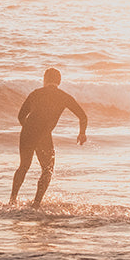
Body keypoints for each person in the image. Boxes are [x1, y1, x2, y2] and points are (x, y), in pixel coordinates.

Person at [11, 67, 88, 208]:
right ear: (59, 81)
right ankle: (36, 204)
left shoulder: (35, 94)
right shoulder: (64, 96)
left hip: (27, 132)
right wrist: (82, 133)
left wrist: (29, 130)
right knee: (47, 170)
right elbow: (83, 116)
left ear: (45, 80)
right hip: (43, 135)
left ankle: (12, 200)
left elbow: (21, 116)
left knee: (24, 166)